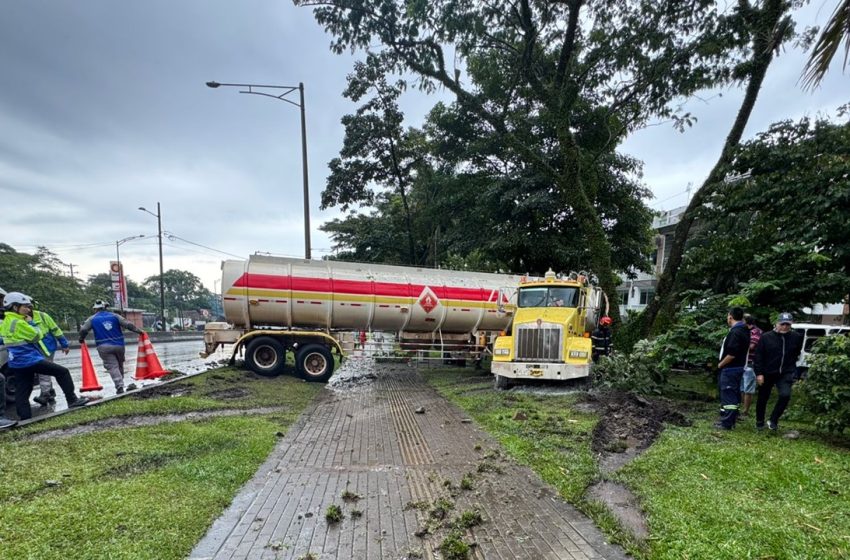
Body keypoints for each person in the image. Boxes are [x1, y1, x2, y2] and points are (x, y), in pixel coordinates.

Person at [0, 291, 89, 420]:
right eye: (24, 306)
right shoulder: (19, 322)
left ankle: (25, 418)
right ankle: (72, 400)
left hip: (16, 362)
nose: (28, 309)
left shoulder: (6, 322)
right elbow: (37, 335)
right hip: (29, 359)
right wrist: (31, 323)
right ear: (15, 307)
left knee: (22, 391)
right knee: (62, 372)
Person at [78, 299, 144, 394]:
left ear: (95, 309)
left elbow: (83, 330)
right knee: (119, 364)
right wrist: (139, 331)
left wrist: (81, 338)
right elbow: (128, 325)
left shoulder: (92, 319)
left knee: (112, 366)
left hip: (103, 346)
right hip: (119, 345)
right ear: (105, 307)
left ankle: (119, 386)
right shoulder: (115, 316)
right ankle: (121, 382)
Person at [753, 312, 803, 432]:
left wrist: (791, 368)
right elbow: (759, 356)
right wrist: (759, 373)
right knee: (763, 397)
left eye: (788, 324)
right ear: (777, 323)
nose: (785, 327)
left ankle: (774, 420)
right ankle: (759, 421)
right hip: (768, 371)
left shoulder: (796, 337)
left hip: (785, 372)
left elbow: (796, 352)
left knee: (785, 395)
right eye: (783, 324)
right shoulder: (766, 337)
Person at [27, 305, 70, 406]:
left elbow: (56, 330)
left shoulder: (43, 316)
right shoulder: (20, 319)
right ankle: (50, 392)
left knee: (43, 371)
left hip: (47, 348)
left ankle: (45, 394)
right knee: (45, 370)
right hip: (34, 349)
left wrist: (64, 344)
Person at [715, 307, 750, 430]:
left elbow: (731, 354)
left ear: (730, 316)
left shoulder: (736, 332)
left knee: (729, 394)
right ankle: (728, 420)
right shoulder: (743, 330)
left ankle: (727, 423)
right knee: (732, 394)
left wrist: (720, 364)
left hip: (730, 368)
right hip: (738, 368)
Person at [739, 314, 763, 417]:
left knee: (748, 388)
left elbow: (752, 346)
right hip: (742, 362)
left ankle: (745, 411)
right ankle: (740, 408)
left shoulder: (756, 331)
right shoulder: (744, 331)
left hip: (751, 363)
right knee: (741, 388)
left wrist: (737, 347)